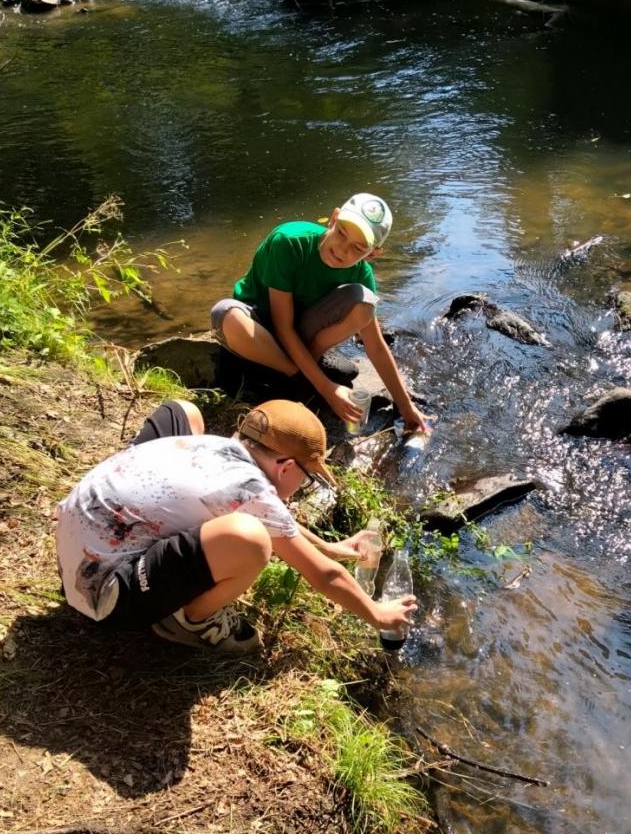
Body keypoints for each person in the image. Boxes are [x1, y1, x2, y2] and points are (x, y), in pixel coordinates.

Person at [54, 398, 417, 655]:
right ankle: (190, 622)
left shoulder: (214, 446)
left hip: (75, 540)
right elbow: (325, 576)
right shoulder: (246, 488)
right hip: (106, 593)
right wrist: (378, 613)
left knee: (183, 412)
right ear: (286, 466)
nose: (302, 488)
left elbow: (271, 514)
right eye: (306, 479)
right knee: (250, 539)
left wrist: (328, 545)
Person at [209, 192, 430, 434]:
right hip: (260, 324)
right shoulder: (290, 242)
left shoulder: (361, 275)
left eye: (358, 248)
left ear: (374, 253)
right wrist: (327, 388)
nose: (341, 250)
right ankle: (298, 377)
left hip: (301, 332)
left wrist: (406, 407)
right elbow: (283, 327)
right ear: (333, 218)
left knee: (363, 302)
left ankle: (303, 369)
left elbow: (376, 346)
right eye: (342, 233)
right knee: (226, 314)